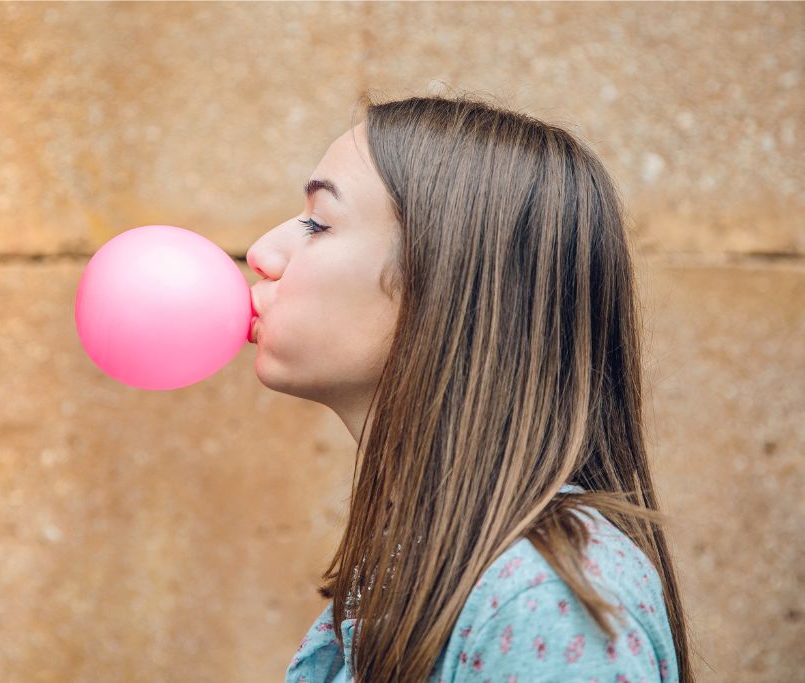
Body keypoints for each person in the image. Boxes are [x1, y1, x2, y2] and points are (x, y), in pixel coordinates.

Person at [245, 92, 696, 683]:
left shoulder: (545, 603)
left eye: (317, 223)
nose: (261, 253)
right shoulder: (429, 555)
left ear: (445, 285)